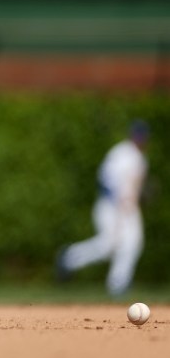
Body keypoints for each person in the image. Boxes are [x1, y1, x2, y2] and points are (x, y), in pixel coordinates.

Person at [56, 120, 149, 297]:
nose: (140, 139)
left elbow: (133, 186)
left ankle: (118, 283)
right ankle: (69, 257)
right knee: (108, 245)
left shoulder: (140, 157)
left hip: (128, 208)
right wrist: (118, 201)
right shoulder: (121, 153)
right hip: (111, 206)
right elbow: (105, 179)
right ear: (132, 135)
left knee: (132, 242)